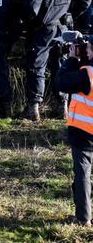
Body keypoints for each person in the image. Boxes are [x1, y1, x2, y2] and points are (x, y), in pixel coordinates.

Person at [22, 0, 91, 120]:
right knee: (60, 64)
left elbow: (31, 9)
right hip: (64, 28)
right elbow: (86, 0)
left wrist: (32, 24)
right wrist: (70, 15)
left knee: (37, 66)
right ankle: (63, 105)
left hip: (43, 30)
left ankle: (34, 107)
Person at [55, 36, 93, 226]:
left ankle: (83, 217)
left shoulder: (87, 75)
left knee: (83, 175)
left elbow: (61, 82)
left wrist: (71, 59)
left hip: (85, 133)